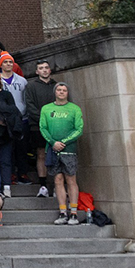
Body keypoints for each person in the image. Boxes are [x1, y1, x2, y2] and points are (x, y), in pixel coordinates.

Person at [40, 82, 84, 225]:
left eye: (64, 90)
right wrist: (53, 142)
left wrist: (64, 142)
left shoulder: (74, 109)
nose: (61, 92)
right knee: (57, 180)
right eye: (59, 90)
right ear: (55, 92)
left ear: (67, 93)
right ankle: (62, 211)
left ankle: (74, 213)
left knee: (71, 180)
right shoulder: (46, 109)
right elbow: (43, 127)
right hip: (52, 150)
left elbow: (79, 129)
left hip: (69, 150)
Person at [24, 60, 59, 198]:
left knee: (57, 154)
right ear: (37, 71)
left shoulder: (56, 86)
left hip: (56, 125)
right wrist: (44, 120)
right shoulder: (31, 86)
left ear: (50, 70)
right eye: (41, 68)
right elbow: (30, 105)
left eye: (46, 67)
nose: (44, 70)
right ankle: (43, 185)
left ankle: (58, 185)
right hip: (37, 125)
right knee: (41, 153)